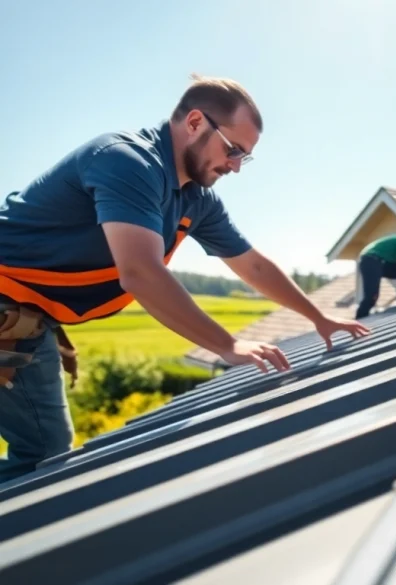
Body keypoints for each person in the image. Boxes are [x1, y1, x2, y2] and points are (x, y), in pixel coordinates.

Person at [0, 74, 370, 483]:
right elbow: (141, 273)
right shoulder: (125, 161)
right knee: (43, 458)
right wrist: (227, 345)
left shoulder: (197, 199)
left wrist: (319, 318)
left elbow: (253, 265)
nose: (235, 166)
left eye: (244, 158)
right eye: (232, 150)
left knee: (45, 455)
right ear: (195, 122)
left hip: (27, 320)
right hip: (7, 303)